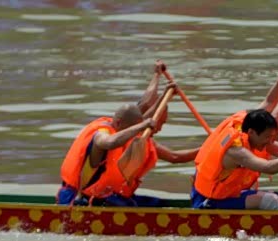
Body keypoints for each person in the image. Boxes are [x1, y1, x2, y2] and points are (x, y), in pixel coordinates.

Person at [56, 62, 201, 206]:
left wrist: (159, 83)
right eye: (136, 127)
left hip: (109, 197)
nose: (158, 129)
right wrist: (142, 125)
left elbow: (174, 156)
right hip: (80, 200)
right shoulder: (102, 133)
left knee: (158, 204)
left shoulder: (133, 133)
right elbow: (110, 142)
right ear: (119, 123)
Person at [191, 66, 278, 210]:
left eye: (274, 136)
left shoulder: (250, 124)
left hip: (228, 195)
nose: (271, 141)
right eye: (268, 137)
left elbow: (270, 102)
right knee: (271, 201)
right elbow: (268, 167)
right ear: (252, 132)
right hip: (209, 201)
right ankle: (277, 232)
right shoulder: (236, 151)